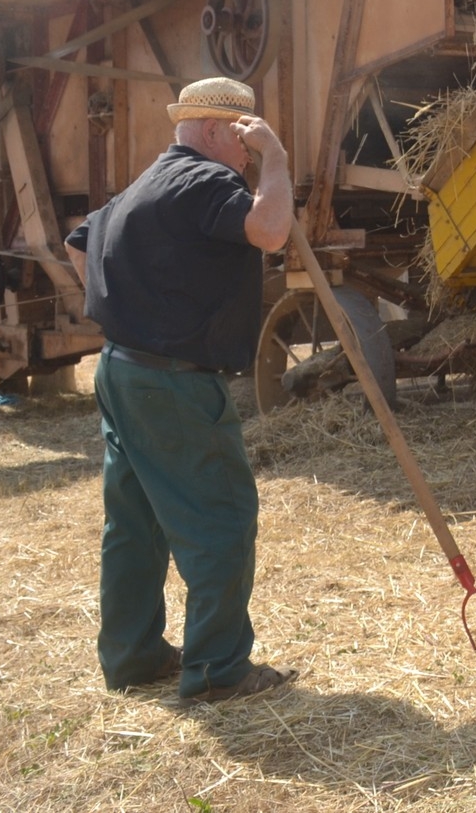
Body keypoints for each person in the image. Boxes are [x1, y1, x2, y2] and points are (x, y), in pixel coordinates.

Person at [64, 77, 295, 703]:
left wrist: (123, 310)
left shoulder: (147, 183)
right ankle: (219, 672)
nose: (246, 154)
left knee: (136, 522)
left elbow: (77, 241)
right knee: (220, 516)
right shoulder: (205, 180)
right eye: (244, 138)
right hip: (172, 383)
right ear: (219, 130)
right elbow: (271, 231)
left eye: (254, 144)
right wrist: (276, 158)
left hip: (121, 370)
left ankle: (134, 657)